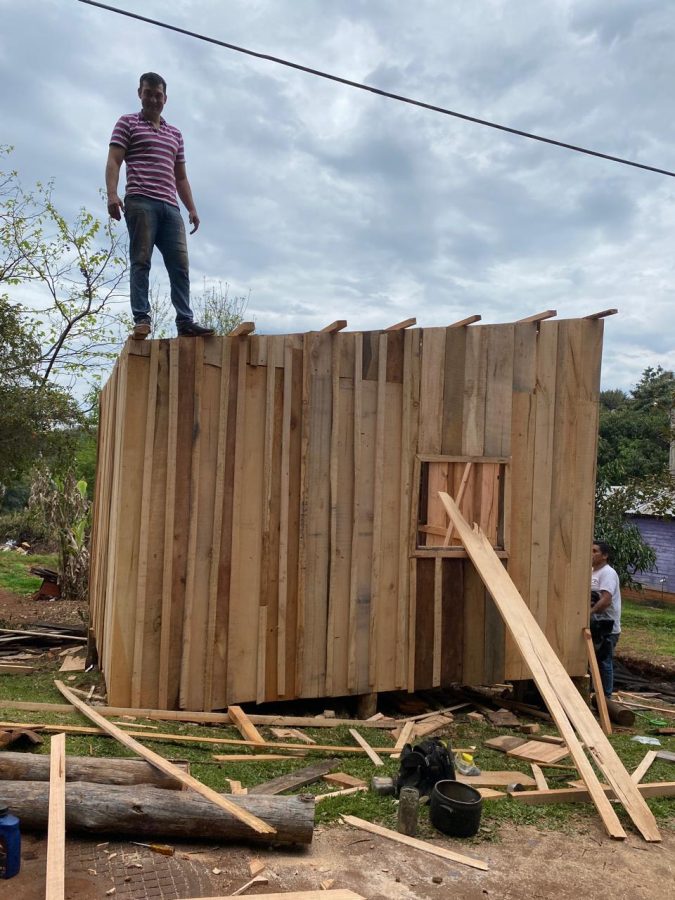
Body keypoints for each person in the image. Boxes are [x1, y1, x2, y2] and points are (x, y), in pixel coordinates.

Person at [105, 72, 214, 340]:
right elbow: (114, 161)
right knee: (141, 260)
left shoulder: (175, 133)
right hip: (141, 200)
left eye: (158, 95)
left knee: (180, 264)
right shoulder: (127, 123)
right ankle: (142, 318)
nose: (153, 99)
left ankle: (185, 321)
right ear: (140, 93)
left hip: (170, 207)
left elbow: (180, 176)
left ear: (165, 98)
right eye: (148, 93)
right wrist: (112, 194)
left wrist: (192, 208)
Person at [590, 540, 621, 699]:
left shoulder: (608, 573)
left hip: (607, 627)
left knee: (604, 662)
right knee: (591, 661)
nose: (592, 554)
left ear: (605, 555)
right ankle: (593, 695)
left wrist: (590, 612)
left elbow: (606, 600)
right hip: (594, 625)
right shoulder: (591, 572)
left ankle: (606, 698)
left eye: (595, 551)